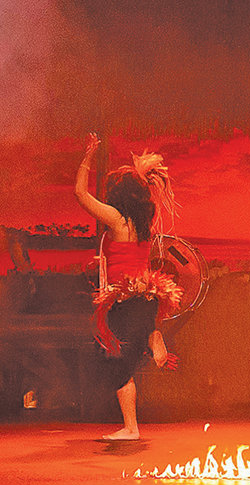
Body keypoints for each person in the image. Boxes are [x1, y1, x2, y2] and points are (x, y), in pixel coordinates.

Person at [73, 134, 181, 441]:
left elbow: (81, 194)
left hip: (127, 300)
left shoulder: (119, 221)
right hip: (144, 300)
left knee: (116, 365)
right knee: (118, 361)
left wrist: (87, 157)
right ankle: (152, 335)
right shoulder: (144, 222)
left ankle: (131, 428)